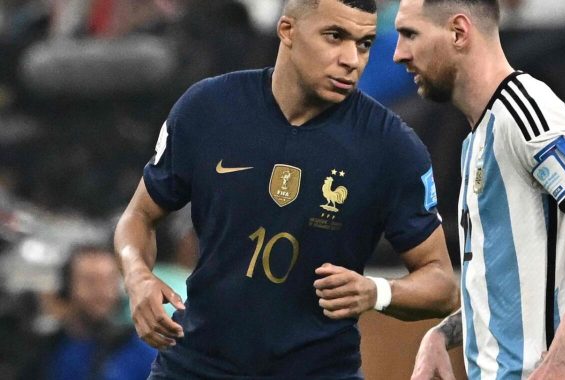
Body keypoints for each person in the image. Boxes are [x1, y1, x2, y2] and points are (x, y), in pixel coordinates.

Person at [113, 0, 459, 378]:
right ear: (287, 31)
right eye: (335, 36)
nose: (352, 60)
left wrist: (378, 292)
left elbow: (442, 283)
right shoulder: (209, 108)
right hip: (196, 366)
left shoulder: (392, 148)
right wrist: (137, 276)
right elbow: (139, 216)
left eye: (363, 44)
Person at [391, 1, 565, 379]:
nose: (398, 54)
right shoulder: (477, 136)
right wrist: (442, 334)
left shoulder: (525, 111)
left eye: (410, 34)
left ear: (458, 32)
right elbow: (504, 287)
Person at [19, 245, 157, 380]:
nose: (102, 292)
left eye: (109, 282)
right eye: (90, 282)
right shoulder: (47, 349)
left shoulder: (139, 349)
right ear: (67, 289)